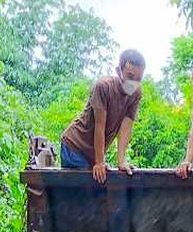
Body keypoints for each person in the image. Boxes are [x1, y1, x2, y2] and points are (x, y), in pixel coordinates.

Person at [60, 49, 146, 184]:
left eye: (138, 79)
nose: (133, 82)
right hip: (75, 146)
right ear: (119, 71)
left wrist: (121, 161)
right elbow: (99, 126)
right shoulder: (104, 87)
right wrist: (99, 162)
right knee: (85, 194)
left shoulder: (136, 94)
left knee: (97, 191)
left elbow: (126, 127)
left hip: (92, 153)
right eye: (130, 76)